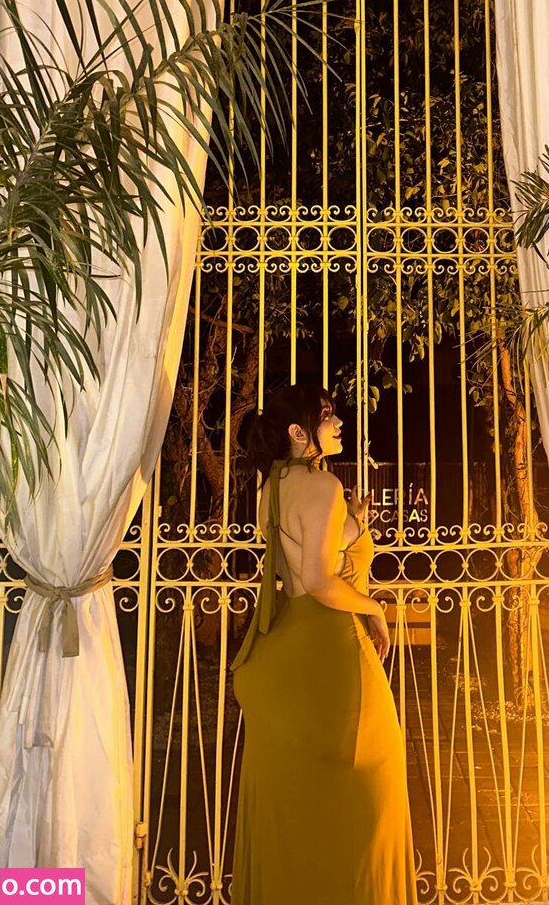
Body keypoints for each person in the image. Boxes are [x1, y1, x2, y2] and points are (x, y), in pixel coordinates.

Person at [230, 383, 418, 905]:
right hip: (333, 653)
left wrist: (352, 522)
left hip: (286, 650)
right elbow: (319, 580)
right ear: (298, 431)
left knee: (301, 809)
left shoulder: (272, 487)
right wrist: (375, 608)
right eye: (328, 416)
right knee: (372, 798)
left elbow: (300, 565)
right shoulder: (323, 486)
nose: (338, 424)